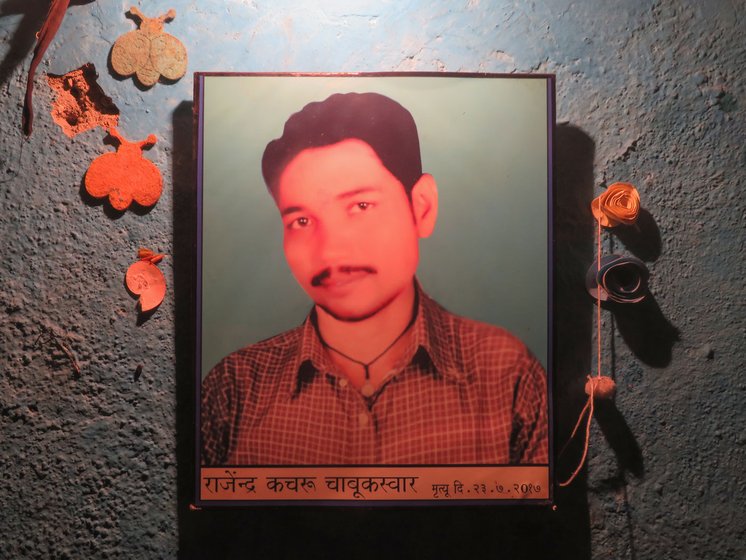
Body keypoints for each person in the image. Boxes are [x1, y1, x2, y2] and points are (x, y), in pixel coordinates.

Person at [201, 92, 547, 466]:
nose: (330, 251)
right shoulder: (234, 390)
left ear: (422, 208)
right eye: (301, 221)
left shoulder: (505, 373)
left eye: (360, 207)